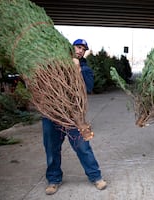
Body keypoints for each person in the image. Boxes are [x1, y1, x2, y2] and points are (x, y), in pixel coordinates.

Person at [43, 39, 107, 195]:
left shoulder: (85, 69)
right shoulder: (55, 65)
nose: (80, 51)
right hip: (52, 113)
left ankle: (96, 177)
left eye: (83, 49)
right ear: (71, 48)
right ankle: (54, 179)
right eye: (78, 47)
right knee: (51, 148)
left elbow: (89, 88)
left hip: (73, 116)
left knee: (83, 147)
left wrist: (77, 70)